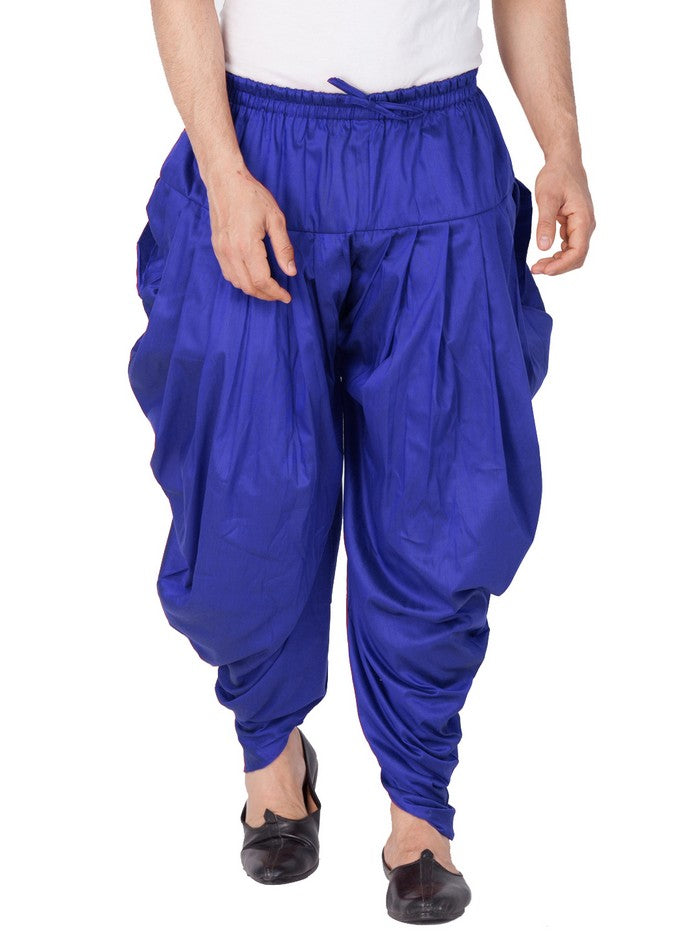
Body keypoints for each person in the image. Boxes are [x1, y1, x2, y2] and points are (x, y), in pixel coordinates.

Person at [128, 0, 595, 923]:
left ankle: (419, 810)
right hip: (261, 145)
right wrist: (222, 170)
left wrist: (562, 146)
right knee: (245, 496)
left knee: (444, 500)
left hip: (436, 152)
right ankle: (273, 758)